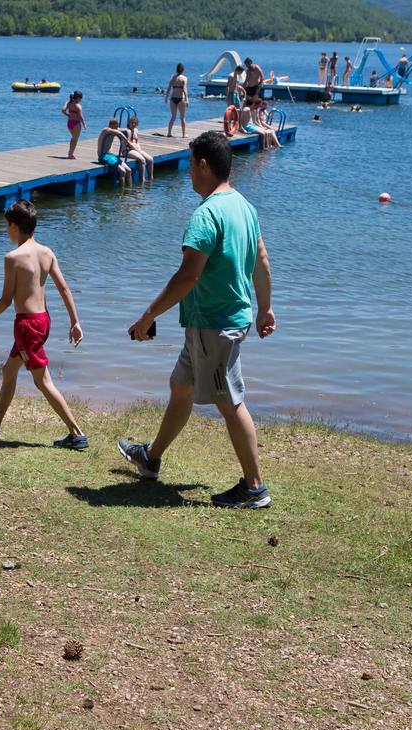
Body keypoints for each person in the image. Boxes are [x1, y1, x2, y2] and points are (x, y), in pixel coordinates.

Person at [117, 132, 275, 509]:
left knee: (230, 401)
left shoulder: (206, 215)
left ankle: (254, 487)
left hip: (214, 325)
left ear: (203, 165)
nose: (188, 172)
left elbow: (186, 277)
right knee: (181, 386)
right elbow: (262, 261)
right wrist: (266, 308)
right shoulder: (243, 206)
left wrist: (148, 316)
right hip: (216, 322)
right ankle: (150, 458)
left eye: (189, 164)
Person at [0, 200, 87, 450]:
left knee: (43, 381)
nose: (6, 231)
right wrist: (75, 322)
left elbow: (6, 299)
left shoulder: (12, 258)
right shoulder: (47, 252)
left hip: (26, 326)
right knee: (8, 370)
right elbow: (64, 289)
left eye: (7, 227)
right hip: (43, 321)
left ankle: (76, 434)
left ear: (13, 226)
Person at [96, 120, 133, 185]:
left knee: (129, 170)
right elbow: (119, 133)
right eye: (117, 126)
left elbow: (127, 130)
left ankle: (129, 191)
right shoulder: (106, 130)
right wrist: (128, 142)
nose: (118, 127)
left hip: (111, 156)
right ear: (112, 125)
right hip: (104, 156)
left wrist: (128, 131)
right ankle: (122, 192)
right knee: (122, 171)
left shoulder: (114, 130)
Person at [125, 116, 154, 182]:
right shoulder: (127, 131)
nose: (133, 124)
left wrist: (139, 150)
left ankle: (150, 178)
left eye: (135, 123)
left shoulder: (136, 130)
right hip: (128, 150)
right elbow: (129, 144)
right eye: (132, 123)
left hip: (137, 150)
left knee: (150, 159)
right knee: (142, 160)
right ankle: (142, 180)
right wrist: (138, 151)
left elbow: (137, 142)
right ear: (129, 123)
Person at [166, 63, 188, 138]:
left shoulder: (173, 77)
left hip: (173, 98)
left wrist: (166, 98)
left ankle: (169, 133)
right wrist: (187, 99)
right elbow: (185, 89)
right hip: (181, 98)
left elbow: (169, 88)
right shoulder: (184, 78)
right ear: (183, 70)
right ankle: (184, 134)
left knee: (173, 117)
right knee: (182, 117)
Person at [61, 91, 85, 159]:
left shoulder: (68, 103)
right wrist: (84, 124)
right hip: (76, 124)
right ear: (78, 98)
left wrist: (68, 115)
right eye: (80, 98)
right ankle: (70, 154)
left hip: (69, 123)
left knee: (73, 138)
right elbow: (80, 116)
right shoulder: (78, 106)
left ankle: (70, 153)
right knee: (75, 139)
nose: (81, 100)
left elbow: (63, 110)